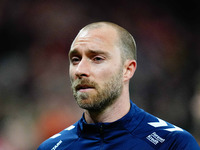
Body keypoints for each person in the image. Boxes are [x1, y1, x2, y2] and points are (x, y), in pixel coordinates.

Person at [37, 22, 200, 150]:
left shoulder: (173, 143)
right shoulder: (51, 147)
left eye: (97, 58)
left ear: (127, 70)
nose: (80, 70)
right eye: (75, 59)